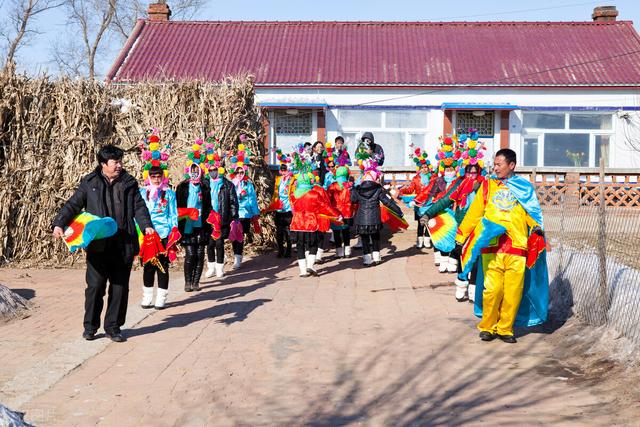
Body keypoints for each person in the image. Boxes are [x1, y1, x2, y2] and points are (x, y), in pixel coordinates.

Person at [52, 145, 154, 342]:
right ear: (103, 164)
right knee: (95, 287)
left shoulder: (128, 182)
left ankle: (113, 327)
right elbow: (73, 204)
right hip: (99, 245)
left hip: (123, 243)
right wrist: (59, 223)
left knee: (119, 287)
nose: (119, 165)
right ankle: (90, 326)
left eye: (120, 161)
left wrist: (146, 225)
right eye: (115, 162)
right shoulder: (89, 183)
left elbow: (139, 206)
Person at [453, 148, 547, 344]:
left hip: (517, 245)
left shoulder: (524, 187)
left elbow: (531, 212)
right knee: (492, 290)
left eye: (499, 165)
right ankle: (488, 327)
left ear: (511, 165)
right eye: (494, 164)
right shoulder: (487, 186)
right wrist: (461, 237)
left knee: (513, 291)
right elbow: (475, 213)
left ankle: (506, 329)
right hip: (492, 246)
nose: (495, 168)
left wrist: (536, 227)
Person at [138, 132, 179, 310]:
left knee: (162, 266)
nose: (156, 179)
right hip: (147, 234)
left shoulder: (168, 193)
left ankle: (161, 297)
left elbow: (173, 213)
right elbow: (137, 212)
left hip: (163, 233)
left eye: (159, 176)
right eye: (153, 176)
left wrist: (173, 230)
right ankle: (147, 296)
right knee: (148, 266)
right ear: (148, 177)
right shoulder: (142, 192)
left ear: (163, 177)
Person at [289, 145, 342, 277]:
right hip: (311, 223)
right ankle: (310, 265)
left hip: (297, 223)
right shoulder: (314, 193)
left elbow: (292, 207)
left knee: (300, 245)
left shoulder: (293, 194)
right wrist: (337, 215)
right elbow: (326, 207)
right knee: (312, 244)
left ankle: (302, 271)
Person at [350, 159, 403, 266]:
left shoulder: (358, 189)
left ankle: (366, 259)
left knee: (364, 238)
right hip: (374, 217)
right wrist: (398, 211)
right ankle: (376, 257)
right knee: (375, 237)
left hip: (361, 218)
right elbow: (387, 202)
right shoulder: (378, 189)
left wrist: (352, 189)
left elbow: (353, 200)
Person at [177, 143, 212, 293]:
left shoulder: (205, 187)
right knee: (190, 254)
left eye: (196, 171)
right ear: (189, 171)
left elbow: (209, 207)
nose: (194, 173)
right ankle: (188, 281)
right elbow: (177, 207)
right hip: (187, 225)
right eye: (192, 170)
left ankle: (196, 282)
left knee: (199, 254)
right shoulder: (182, 187)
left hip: (201, 225)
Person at [204, 139, 239, 279]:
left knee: (219, 243)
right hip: (208, 218)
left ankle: (219, 267)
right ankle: (211, 267)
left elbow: (233, 202)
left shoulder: (227, 185)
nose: (213, 172)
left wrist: (234, 217)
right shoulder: (205, 183)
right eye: (210, 170)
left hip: (222, 217)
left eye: (215, 170)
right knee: (209, 243)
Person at [228, 143, 260, 270]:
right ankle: (237, 255)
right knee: (233, 236)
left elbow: (252, 199)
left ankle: (238, 258)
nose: (240, 174)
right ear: (234, 172)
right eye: (238, 172)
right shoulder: (231, 184)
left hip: (245, 214)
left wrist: (255, 213)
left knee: (240, 236)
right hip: (233, 213)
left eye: (242, 171)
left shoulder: (248, 184)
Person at [397, 147, 434, 250]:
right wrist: (403, 190)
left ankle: (427, 240)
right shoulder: (416, 179)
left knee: (429, 222)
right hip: (418, 203)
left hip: (430, 203)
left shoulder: (432, 177)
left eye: (426, 167)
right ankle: (419, 241)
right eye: (422, 167)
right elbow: (410, 190)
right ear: (419, 168)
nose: (424, 169)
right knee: (420, 223)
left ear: (428, 168)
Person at [268, 153, 294, 258]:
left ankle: (288, 250)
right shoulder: (278, 179)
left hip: (288, 208)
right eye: (282, 169)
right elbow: (275, 192)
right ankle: (280, 250)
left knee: (287, 231)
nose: (283, 172)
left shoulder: (292, 180)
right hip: (279, 208)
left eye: (285, 169)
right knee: (279, 231)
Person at [327, 163, 355, 258]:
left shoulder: (332, 186)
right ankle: (347, 251)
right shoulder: (349, 186)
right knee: (346, 231)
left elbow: (328, 199)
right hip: (347, 212)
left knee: (336, 232)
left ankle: (339, 252)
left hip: (335, 213)